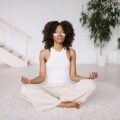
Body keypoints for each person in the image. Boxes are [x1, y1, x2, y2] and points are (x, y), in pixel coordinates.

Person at [21, 20, 98, 112]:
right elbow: (41, 77)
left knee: (91, 85)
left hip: (67, 89)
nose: (60, 35)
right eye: (56, 32)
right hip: (49, 89)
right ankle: (63, 104)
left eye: (62, 32)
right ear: (51, 35)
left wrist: (88, 78)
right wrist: (29, 81)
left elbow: (73, 77)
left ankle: (53, 101)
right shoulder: (44, 53)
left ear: (67, 35)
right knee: (24, 89)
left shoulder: (71, 52)